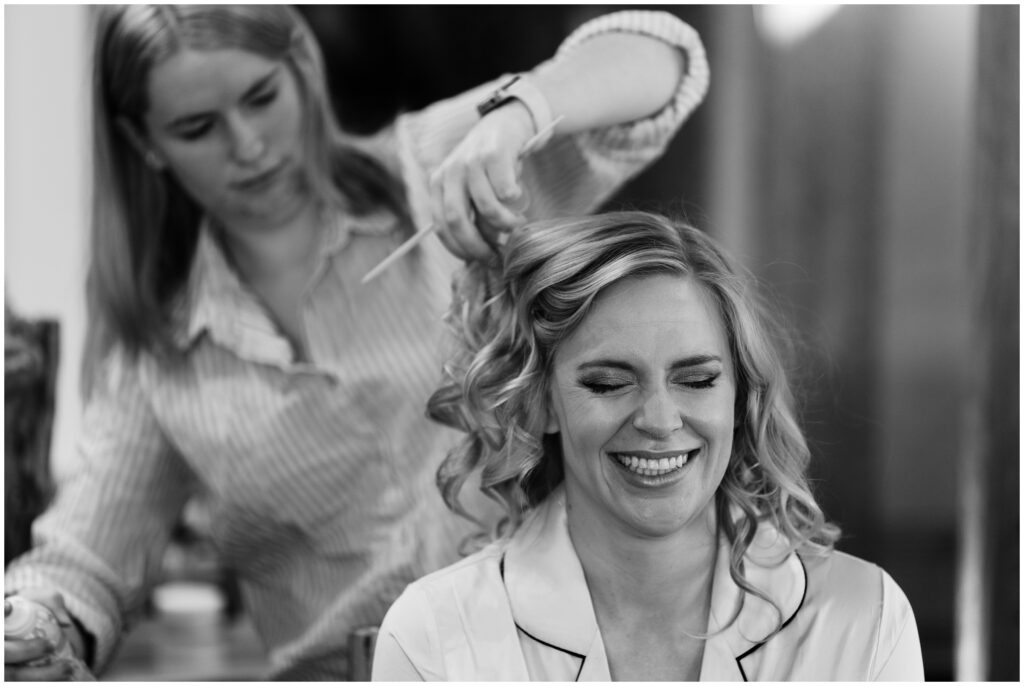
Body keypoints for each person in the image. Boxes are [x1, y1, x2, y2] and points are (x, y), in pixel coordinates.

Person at [3, 5, 710, 681]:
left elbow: (666, 60)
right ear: (144, 143)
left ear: (302, 69)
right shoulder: (156, 351)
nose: (247, 146)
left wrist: (520, 114)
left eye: (261, 96)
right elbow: (82, 562)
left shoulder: (432, 168)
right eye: (197, 127)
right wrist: (37, 621)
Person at [371, 211, 925, 681]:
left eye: (697, 379)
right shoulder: (433, 638)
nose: (659, 420)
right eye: (609, 384)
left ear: (739, 397)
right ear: (539, 403)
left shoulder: (865, 619)